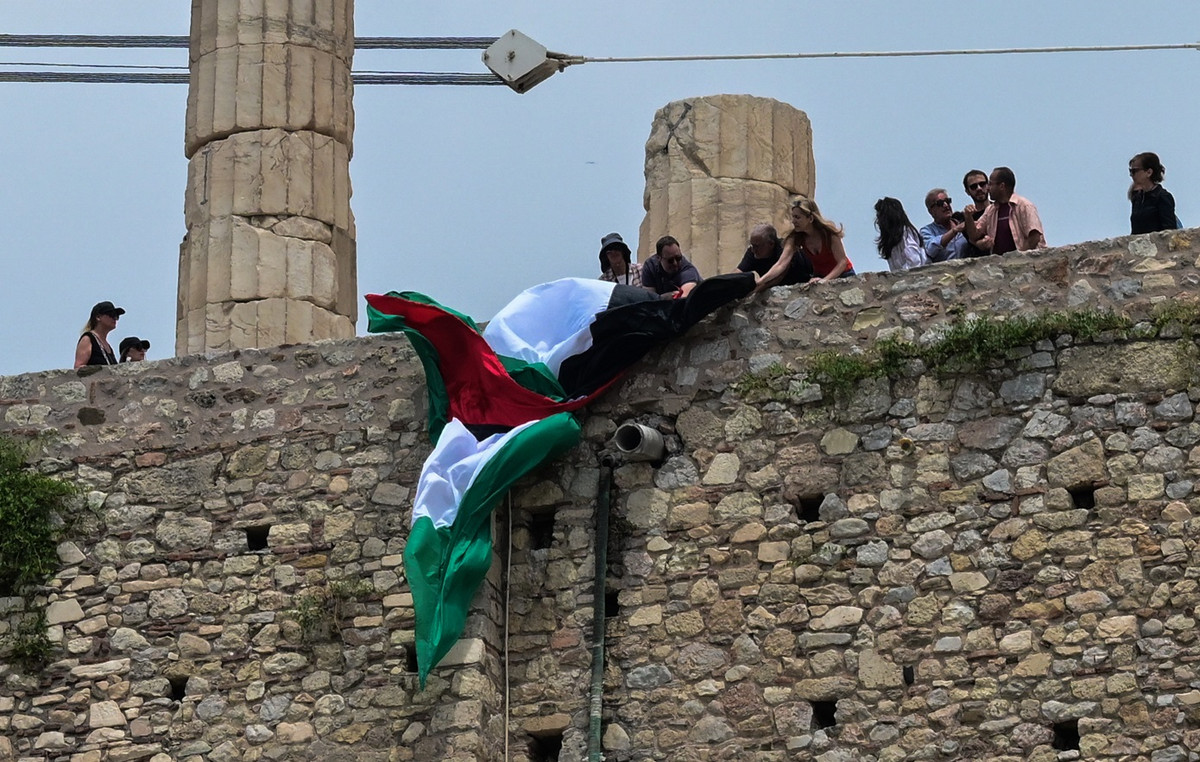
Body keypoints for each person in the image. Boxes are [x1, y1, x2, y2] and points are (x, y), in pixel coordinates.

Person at [754, 196, 853, 293]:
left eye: (797, 217)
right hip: (820, 277)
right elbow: (781, 264)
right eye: (793, 217)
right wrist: (761, 281)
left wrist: (825, 280)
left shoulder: (829, 235)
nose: (793, 221)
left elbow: (842, 262)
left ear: (810, 218)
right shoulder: (796, 238)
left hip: (843, 274)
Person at [963, 167, 1045, 256]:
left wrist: (1018, 257)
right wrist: (968, 216)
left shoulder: (1023, 205)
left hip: (1027, 265)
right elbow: (974, 235)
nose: (988, 189)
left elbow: (1035, 236)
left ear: (1002, 186)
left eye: (990, 184)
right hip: (1002, 267)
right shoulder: (991, 210)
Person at [736, 223, 813, 285]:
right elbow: (738, 272)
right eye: (752, 245)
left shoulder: (784, 248)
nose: (753, 250)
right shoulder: (752, 251)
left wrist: (754, 290)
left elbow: (778, 275)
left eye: (757, 246)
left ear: (771, 244)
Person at [1129, 152, 1178, 235]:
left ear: (1149, 172)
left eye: (1134, 171)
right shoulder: (1137, 198)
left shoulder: (1163, 197)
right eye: (1130, 171)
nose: (1131, 175)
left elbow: (1170, 231)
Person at [875, 197, 928, 272]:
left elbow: (914, 262)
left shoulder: (905, 234)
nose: (878, 221)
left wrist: (899, 275)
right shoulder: (891, 242)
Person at [918, 188, 968, 263]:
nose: (946, 205)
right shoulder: (927, 231)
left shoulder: (964, 225)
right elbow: (931, 250)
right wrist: (953, 231)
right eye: (940, 203)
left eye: (947, 201)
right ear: (931, 211)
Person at [74, 301, 124, 368]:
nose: (115, 318)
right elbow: (78, 367)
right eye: (111, 315)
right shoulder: (88, 339)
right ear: (98, 317)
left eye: (116, 316)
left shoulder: (107, 346)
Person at [961, 170, 992, 258]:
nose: (979, 188)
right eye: (973, 186)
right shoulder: (966, 217)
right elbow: (972, 240)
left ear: (988, 185)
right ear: (967, 191)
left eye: (982, 184)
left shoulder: (999, 208)